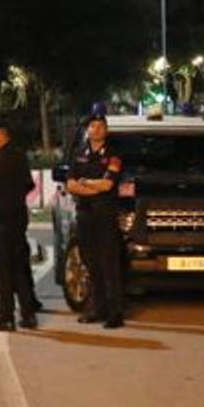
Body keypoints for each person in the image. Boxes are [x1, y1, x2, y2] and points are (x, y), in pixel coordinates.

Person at [65, 113, 125, 329]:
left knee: (109, 265)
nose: (96, 129)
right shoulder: (79, 153)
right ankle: (96, 309)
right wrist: (92, 187)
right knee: (90, 263)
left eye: (100, 125)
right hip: (85, 215)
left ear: (106, 130)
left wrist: (86, 183)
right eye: (93, 125)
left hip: (104, 215)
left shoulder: (114, 154)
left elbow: (108, 184)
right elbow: (70, 184)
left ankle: (115, 314)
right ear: (88, 130)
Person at [0, 125, 39, 332]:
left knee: (3, 271)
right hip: (18, 217)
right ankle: (28, 315)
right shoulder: (20, 156)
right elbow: (29, 185)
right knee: (20, 268)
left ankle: (6, 317)